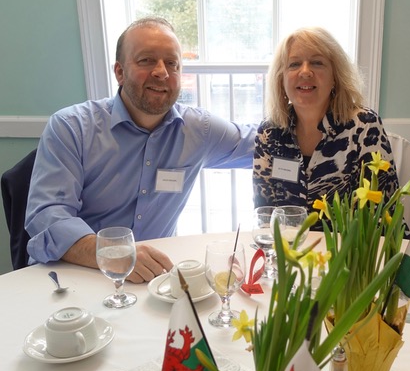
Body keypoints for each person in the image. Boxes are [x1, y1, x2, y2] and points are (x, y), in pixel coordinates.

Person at [26, 17, 257, 282]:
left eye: (172, 63)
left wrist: (308, 104)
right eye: (146, 60)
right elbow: (47, 216)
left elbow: (261, 143)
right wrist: (111, 253)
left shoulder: (198, 130)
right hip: (75, 275)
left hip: (150, 282)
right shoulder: (71, 127)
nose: (162, 72)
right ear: (120, 72)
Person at [253, 26, 400, 226]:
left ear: (335, 77)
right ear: (281, 79)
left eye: (317, 62)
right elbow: (264, 216)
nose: (305, 71)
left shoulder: (364, 127)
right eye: (294, 64)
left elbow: (380, 218)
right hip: (290, 252)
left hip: (349, 255)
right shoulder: (269, 133)